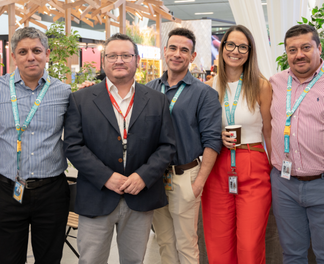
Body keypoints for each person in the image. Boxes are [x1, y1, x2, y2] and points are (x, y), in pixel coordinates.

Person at [63, 33, 176, 264]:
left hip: (140, 196)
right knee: (91, 260)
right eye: (113, 55)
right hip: (97, 195)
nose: (119, 60)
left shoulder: (157, 100)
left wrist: (143, 176)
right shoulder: (80, 99)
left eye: (126, 55)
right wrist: (106, 177)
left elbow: (167, 146)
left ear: (137, 60)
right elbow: (73, 146)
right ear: (103, 61)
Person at [146, 27, 223, 264]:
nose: (177, 54)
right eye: (173, 48)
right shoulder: (148, 89)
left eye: (184, 50)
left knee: (186, 244)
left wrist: (198, 182)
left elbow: (212, 141)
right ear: (165, 52)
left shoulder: (204, 94)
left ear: (193, 56)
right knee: (165, 242)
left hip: (185, 176)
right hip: (154, 177)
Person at [0, 27, 71, 264]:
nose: (31, 56)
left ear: (47, 54)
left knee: (50, 259)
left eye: (37, 50)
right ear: (14, 56)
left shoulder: (64, 92)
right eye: (23, 51)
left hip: (51, 192)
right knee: (8, 258)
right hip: (7, 190)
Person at [202, 25, 272, 263]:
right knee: (218, 240)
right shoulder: (209, 87)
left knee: (250, 243)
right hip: (218, 164)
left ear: (250, 51)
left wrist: (274, 168)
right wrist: (216, 136)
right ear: (222, 48)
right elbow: (202, 130)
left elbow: (269, 132)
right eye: (230, 44)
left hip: (253, 161)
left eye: (243, 46)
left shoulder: (261, 86)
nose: (236, 51)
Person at [270, 24, 324, 263]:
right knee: (292, 254)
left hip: (321, 183)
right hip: (284, 185)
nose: (299, 54)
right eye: (292, 50)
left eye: (305, 47)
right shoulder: (274, 83)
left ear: (319, 48)